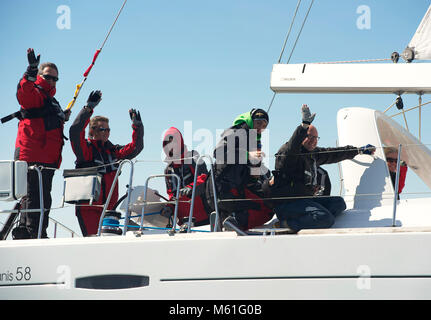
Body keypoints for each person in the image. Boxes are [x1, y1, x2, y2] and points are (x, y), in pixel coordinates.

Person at [270, 104, 376, 233]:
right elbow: (292, 147)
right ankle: (286, 224)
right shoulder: (290, 153)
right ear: (302, 137)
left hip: (304, 200)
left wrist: (358, 150)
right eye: (309, 136)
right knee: (326, 218)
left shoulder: (312, 154)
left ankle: (312, 217)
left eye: (316, 138)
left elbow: (333, 153)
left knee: (339, 203)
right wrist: (304, 125)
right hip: (288, 204)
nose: (313, 141)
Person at [11, 48, 71, 239]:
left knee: (44, 198)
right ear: (39, 76)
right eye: (48, 77)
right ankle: (30, 233)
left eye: (55, 79)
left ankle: (39, 233)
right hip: (31, 155)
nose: (52, 81)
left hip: (48, 158)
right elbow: (23, 92)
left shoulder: (51, 100)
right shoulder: (35, 93)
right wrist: (30, 70)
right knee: (32, 196)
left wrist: (63, 117)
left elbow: (47, 122)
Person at [69, 91, 144, 236]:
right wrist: (88, 109)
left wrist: (137, 127)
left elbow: (136, 147)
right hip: (89, 209)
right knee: (93, 244)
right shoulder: (86, 151)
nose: (106, 132)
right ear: (92, 131)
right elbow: (75, 131)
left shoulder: (113, 152)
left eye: (108, 129)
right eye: (102, 129)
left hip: (109, 211)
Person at [206, 108, 274, 231]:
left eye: (264, 125)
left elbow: (251, 175)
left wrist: (257, 169)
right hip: (222, 189)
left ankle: (228, 220)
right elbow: (219, 152)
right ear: (250, 121)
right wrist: (248, 155)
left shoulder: (254, 140)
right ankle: (233, 220)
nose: (260, 127)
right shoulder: (236, 132)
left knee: (269, 204)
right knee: (264, 208)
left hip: (237, 187)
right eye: (258, 123)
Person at [162, 127, 210, 227]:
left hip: (205, 219)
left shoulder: (193, 157)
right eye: (167, 143)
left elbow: (204, 177)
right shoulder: (168, 170)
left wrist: (190, 188)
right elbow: (171, 195)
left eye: (173, 141)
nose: (171, 146)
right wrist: (169, 207)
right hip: (183, 222)